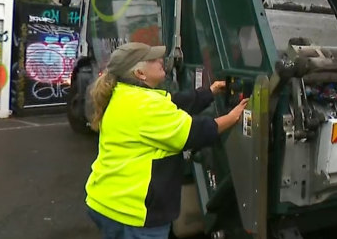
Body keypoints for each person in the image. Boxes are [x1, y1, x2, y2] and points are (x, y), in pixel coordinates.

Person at [84, 42, 248, 239]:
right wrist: (234, 116)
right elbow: (195, 132)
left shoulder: (124, 94)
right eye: (152, 59)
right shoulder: (146, 105)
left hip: (105, 201)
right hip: (134, 214)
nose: (160, 60)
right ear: (140, 74)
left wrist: (210, 92)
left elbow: (174, 102)